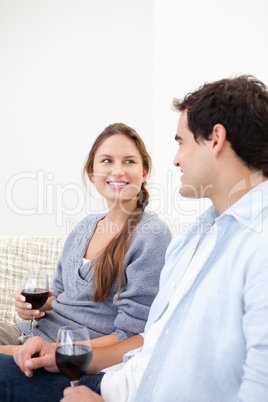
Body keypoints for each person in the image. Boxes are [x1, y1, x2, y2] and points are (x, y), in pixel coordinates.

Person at [1, 74, 268, 402]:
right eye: (107, 161)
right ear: (91, 172)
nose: (176, 159)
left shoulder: (247, 245)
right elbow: (153, 344)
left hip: (100, 377)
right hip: (104, 374)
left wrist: (64, 354)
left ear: (215, 139)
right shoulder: (194, 239)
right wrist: (50, 340)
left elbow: (136, 337)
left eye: (180, 141)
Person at [0, 123, 171, 356]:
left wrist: (54, 349)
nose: (118, 171)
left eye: (129, 161)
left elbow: (132, 334)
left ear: (144, 172)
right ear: (92, 172)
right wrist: (31, 307)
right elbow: (60, 298)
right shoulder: (85, 227)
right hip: (30, 334)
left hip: (71, 355)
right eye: (107, 160)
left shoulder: (151, 235)